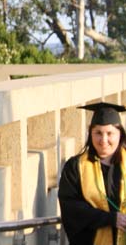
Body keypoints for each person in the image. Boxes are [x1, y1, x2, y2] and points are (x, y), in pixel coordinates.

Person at [59, 102, 126, 245]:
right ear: (90, 134)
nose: (104, 140)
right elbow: (71, 209)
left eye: (110, 133)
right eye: (98, 133)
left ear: (120, 134)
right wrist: (110, 219)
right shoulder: (75, 167)